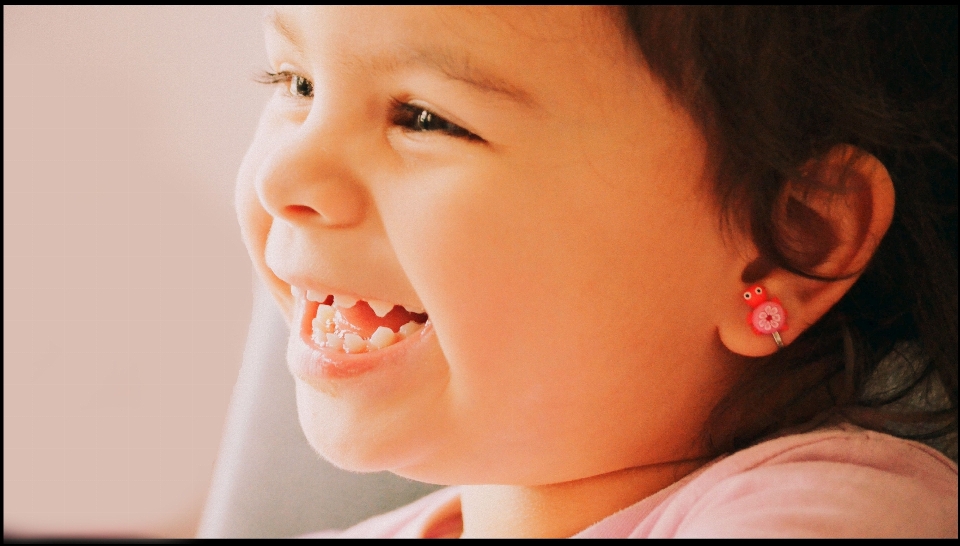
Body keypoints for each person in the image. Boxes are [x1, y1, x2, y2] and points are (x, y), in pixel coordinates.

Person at [234, 6, 957, 537]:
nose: (283, 176)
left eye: (426, 119)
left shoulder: (833, 518)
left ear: (785, 243)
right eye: (294, 82)